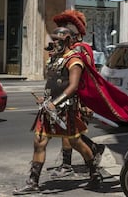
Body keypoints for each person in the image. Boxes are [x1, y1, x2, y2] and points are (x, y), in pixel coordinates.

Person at [13, 26, 101, 195]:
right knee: (39, 142)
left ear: (67, 41)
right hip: (48, 109)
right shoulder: (54, 58)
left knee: (76, 143)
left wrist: (56, 102)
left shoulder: (74, 60)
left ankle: (94, 174)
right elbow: (53, 83)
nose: (53, 43)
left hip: (65, 110)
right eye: (53, 39)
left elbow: (73, 86)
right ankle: (33, 182)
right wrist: (45, 99)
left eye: (57, 40)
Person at [49, 9, 105, 178]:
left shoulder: (81, 49)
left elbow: (84, 78)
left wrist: (84, 103)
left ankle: (74, 164)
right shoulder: (72, 49)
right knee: (70, 133)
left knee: (70, 134)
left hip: (77, 99)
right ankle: (92, 151)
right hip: (68, 98)